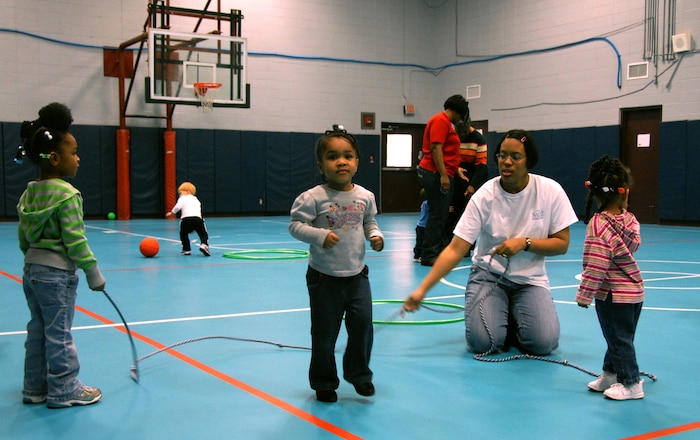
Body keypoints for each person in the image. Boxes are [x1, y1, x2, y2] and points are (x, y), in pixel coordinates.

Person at [405, 129, 578, 356]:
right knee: (484, 343)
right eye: (502, 155)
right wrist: (422, 290)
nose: (506, 162)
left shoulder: (550, 191)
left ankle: (513, 317)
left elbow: (562, 243)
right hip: (488, 277)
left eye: (515, 157)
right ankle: (497, 312)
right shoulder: (485, 195)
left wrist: (525, 243)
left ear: (529, 161)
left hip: (530, 281)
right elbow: (456, 249)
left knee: (543, 343)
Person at [16, 102, 105, 408]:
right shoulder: (68, 195)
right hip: (56, 277)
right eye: (73, 152)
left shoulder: (30, 192)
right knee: (59, 332)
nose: (78, 158)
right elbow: (75, 241)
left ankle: (34, 387)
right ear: (54, 158)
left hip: (31, 272)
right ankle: (64, 388)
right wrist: (92, 272)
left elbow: (23, 237)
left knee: (37, 329)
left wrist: (32, 260)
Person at [289, 125, 384, 403]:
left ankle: (359, 374)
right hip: (324, 279)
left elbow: (369, 222)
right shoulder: (313, 197)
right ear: (321, 165)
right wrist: (319, 236)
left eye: (348, 156)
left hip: (357, 276)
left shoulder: (365, 196)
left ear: (356, 161)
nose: (341, 161)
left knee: (363, 326)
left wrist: (375, 236)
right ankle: (324, 381)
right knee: (324, 334)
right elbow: (295, 226)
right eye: (332, 156)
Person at [576, 155, 645, 400]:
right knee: (618, 336)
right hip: (634, 294)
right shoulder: (630, 221)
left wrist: (585, 294)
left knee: (618, 338)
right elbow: (633, 245)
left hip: (613, 295)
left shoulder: (598, 224)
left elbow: (597, 264)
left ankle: (631, 382)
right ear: (623, 193)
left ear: (593, 194)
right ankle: (611, 373)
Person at [417, 95, 469, 266]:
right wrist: (444, 175)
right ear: (458, 111)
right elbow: (436, 148)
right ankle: (429, 254)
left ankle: (434, 250)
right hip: (435, 173)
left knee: (440, 213)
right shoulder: (441, 121)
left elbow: (445, 152)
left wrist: (455, 169)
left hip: (440, 171)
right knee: (437, 214)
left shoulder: (445, 123)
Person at [445, 119, 488, 243]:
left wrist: (472, 186)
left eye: (463, 134)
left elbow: (481, 166)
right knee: (452, 213)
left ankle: (468, 246)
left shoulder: (479, 140)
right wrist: (456, 168)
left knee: (469, 213)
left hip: (474, 175)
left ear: (469, 127)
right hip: (456, 175)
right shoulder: (452, 135)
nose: (461, 136)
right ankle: (446, 242)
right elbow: (448, 156)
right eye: (459, 134)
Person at [166, 182, 211, 256]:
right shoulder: (196, 199)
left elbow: (178, 206)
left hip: (185, 220)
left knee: (183, 234)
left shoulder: (182, 198)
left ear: (188, 191)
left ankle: (186, 249)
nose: (179, 194)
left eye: (180, 192)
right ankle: (204, 244)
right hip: (197, 219)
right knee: (203, 233)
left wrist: (171, 213)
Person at [413, 189, 428, 262]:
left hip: (420, 226)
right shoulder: (427, 203)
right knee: (421, 242)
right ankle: (418, 255)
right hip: (423, 226)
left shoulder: (423, 203)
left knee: (419, 241)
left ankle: (417, 255)